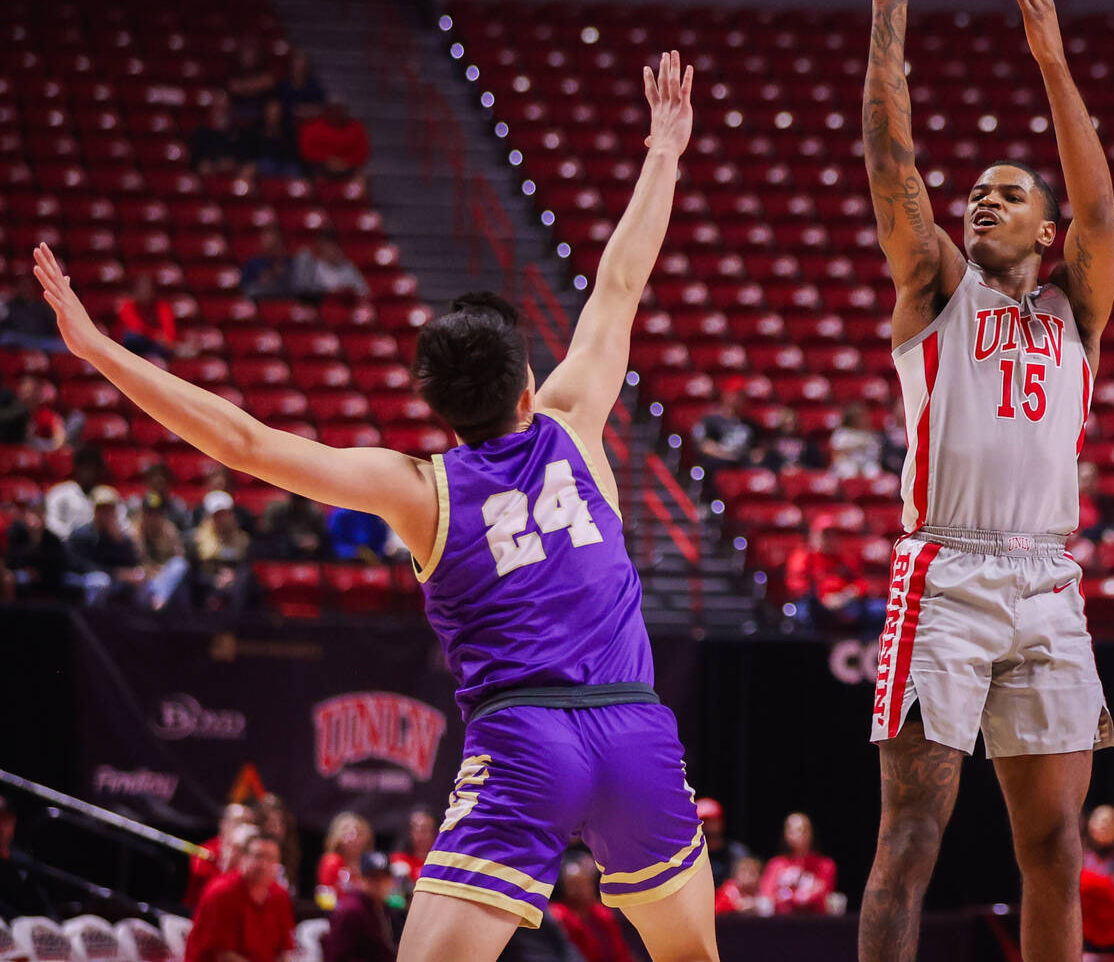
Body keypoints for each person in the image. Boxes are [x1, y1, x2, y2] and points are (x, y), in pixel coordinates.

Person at [31, 49, 717, 962]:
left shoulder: (419, 488)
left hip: (525, 740)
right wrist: (663, 150)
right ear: (525, 385)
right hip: (636, 725)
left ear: (437, 410)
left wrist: (98, 350)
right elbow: (620, 284)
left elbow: (245, 444)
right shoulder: (575, 423)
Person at [838, 0, 1114, 962]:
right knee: (908, 839)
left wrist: (1051, 62)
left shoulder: (1073, 313)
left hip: (1050, 582)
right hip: (943, 574)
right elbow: (889, 159)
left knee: (1051, 848)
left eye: (1008, 193)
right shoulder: (936, 290)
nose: (979, 199)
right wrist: (887, 6)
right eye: (976, 193)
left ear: (1046, 234)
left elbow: (1097, 206)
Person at [185, 833, 294, 962]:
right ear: (243, 858)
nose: (264, 865)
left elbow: (283, 951)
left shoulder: (280, 895)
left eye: (271, 859)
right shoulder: (221, 892)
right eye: (258, 856)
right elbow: (222, 955)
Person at [64, 486, 145, 606]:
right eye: (102, 509)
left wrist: (120, 542)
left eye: (110, 509)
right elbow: (79, 565)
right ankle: (90, 621)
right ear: (95, 510)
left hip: (112, 579)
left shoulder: (119, 536)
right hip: (81, 579)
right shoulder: (81, 534)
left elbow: (130, 564)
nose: (106, 514)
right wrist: (113, 572)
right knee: (100, 581)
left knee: (141, 580)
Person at [548, 854, 634, 962]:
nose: (583, 890)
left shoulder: (602, 914)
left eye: (586, 884)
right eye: (575, 885)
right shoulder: (558, 915)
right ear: (562, 888)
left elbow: (620, 953)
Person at [325, 850, 403, 962]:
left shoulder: (384, 909)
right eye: (373, 878)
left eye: (384, 877)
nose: (380, 883)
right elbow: (337, 957)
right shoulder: (350, 911)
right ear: (361, 878)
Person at [1080, 805, 1114, 956]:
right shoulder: (1080, 855)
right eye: (1101, 821)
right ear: (1090, 824)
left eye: (1110, 822)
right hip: (1084, 935)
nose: (1104, 826)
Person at [192, 490, 256, 613]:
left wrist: (234, 576)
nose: (221, 519)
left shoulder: (243, 540)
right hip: (207, 585)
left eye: (224, 514)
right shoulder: (197, 540)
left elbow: (246, 567)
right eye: (217, 515)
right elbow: (194, 572)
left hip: (235, 586)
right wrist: (214, 579)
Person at [759, 813, 836, 916]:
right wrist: (799, 896)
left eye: (801, 830)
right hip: (781, 923)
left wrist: (788, 897)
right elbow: (767, 897)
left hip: (815, 922)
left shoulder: (825, 865)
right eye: (790, 830)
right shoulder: (775, 864)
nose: (796, 834)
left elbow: (822, 896)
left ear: (810, 833)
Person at [186, 803, 257, 910]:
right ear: (223, 824)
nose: (243, 828)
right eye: (239, 822)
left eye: (248, 823)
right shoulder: (206, 852)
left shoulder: (255, 857)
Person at [130, 491, 191, 612]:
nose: (153, 518)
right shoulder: (132, 532)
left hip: (163, 579)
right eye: (149, 513)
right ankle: (157, 604)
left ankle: (159, 601)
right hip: (143, 583)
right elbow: (134, 563)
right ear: (142, 514)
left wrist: (160, 572)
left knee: (180, 565)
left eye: (156, 513)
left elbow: (178, 557)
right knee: (138, 574)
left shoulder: (169, 530)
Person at [691, 384, 756, 496]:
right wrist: (728, 455)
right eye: (736, 395)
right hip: (718, 463)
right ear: (726, 396)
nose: (739, 399)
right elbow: (704, 446)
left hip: (741, 463)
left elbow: (757, 450)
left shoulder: (749, 424)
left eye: (742, 396)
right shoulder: (711, 420)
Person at [4, 498, 67, 599]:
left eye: (41, 512)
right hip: (20, 574)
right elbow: (9, 560)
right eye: (34, 512)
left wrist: (37, 536)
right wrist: (25, 569)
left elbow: (58, 563)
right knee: (21, 577)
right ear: (26, 514)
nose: (38, 516)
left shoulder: (52, 538)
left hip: (45, 577)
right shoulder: (15, 533)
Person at [45, 444, 109, 540]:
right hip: (67, 547)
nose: (88, 473)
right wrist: (73, 536)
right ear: (76, 468)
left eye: (92, 468)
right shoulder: (60, 493)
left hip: (99, 548)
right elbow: (50, 521)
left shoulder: (107, 495)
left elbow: (121, 523)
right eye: (84, 467)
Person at [298, 102, 371, 177]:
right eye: (333, 110)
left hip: (349, 167)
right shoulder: (313, 127)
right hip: (319, 166)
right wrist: (327, 159)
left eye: (339, 110)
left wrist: (346, 162)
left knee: (362, 178)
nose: (336, 113)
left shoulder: (356, 128)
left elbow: (362, 151)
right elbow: (306, 149)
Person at [116, 274, 177, 363]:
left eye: (148, 289)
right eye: (142, 289)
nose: (145, 292)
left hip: (156, 346)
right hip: (136, 343)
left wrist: (166, 339)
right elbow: (136, 327)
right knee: (131, 336)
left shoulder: (162, 306)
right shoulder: (128, 305)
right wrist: (155, 335)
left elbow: (170, 334)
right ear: (136, 290)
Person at [292, 231, 369, 299]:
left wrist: (348, 291)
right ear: (320, 248)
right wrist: (330, 292)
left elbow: (364, 292)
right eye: (327, 246)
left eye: (333, 246)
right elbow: (306, 292)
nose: (332, 250)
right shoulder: (313, 266)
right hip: (324, 308)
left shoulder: (348, 267)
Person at [746, 408, 824, 473]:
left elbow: (816, 467)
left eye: (792, 423)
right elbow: (767, 465)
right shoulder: (771, 445)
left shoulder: (808, 445)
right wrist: (781, 467)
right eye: (786, 423)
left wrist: (802, 468)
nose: (790, 427)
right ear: (781, 424)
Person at [0, 272, 64, 351]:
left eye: (27, 285)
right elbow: (4, 326)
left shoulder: (42, 306)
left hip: (39, 340)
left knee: (65, 346)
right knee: (6, 337)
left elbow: (55, 324)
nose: (25, 288)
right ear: (17, 288)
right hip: (18, 339)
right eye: (22, 285)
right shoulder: (10, 305)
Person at [252, 493, 327, 560]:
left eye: (303, 500)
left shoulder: (314, 511)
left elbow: (320, 533)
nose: (300, 504)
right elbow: (265, 529)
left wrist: (314, 539)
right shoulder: (277, 508)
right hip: (279, 542)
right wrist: (295, 541)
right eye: (297, 499)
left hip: (305, 545)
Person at [318, 812, 375, 898]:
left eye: (359, 833)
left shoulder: (372, 863)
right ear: (337, 837)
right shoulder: (331, 861)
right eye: (348, 833)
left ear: (367, 837)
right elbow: (327, 894)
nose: (354, 838)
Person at [240, 98, 301, 178]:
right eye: (270, 110)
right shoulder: (254, 132)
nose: (273, 114)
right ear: (264, 112)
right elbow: (250, 155)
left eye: (276, 111)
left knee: (293, 169)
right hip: (261, 167)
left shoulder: (288, 132)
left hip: (283, 167)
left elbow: (293, 157)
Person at [696, 799, 747, 890]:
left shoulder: (736, 853)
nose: (707, 826)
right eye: (703, 822)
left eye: (712, 821)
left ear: (721, 822)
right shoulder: (690, 855)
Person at [255, 794, 301, 893]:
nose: (275, 830)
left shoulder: (289, 854)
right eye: (270, 823)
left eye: (280, 823)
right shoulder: (253, 854)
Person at [189, 93, 243, 175]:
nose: (221, 112)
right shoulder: (200, 134)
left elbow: (240, 164)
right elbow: (201, 166)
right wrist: (217, 166)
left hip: (231, 181)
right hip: (207, 182)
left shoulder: (239, 134)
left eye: (225, 108)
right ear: (212, 109)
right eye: (218, 107)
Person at [827, 402, 881, 479]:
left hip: (866, 464)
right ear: (851, 418)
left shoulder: (870, 435)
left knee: (873, 471)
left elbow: (876, 455)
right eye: (859, 417)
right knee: (849, 470)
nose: (863, 419)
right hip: (846, 463)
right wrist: (854, 448)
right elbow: (835, 454)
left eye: (863, 416)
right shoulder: (842, 434)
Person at [274, 51, 326, 131]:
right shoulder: (283, 86)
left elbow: (320, 109)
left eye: (301, 66)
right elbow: (276, 107)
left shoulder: (314, 87)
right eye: (295, 65)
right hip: (285, 128)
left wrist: (304, 111)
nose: (298, 69)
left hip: (309, 128)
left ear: (306, 67)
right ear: (291, 66)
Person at [240, 228, 296, 300]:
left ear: (279, 240)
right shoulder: (253, 263)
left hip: (285, 296)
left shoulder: (290, 262)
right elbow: (246, 288)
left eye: (269, 237)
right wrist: (271, 275)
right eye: (264, 238)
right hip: (262, 298)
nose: (265, 241)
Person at [1075, 461, 1114, 546]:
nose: (1088, 483)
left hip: (1099, 541)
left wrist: (1111, 532)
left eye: (1092, 478)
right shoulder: (1070, 501)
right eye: (1084, 479)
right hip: (1078, 542)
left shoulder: (1105, 501)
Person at [390, 806, 438, 887]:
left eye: (424, 829)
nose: (420, 835)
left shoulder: (440, 862)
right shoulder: (399, 860)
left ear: (434, 832)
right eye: (416, 829)